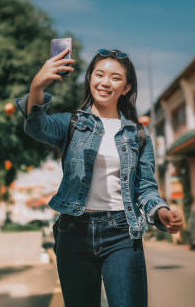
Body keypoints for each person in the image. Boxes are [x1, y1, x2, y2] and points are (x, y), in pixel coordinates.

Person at [16, 48, 183, 307]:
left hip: (122, 233)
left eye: (115, 78)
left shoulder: (137, 134)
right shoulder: (71, 123)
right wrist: (37, 84)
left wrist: (161, 211)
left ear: (126, 87)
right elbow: (36, 126)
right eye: (99, 74)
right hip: (75, 232)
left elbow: (146, 188)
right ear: (90, 78)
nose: (105, 82)